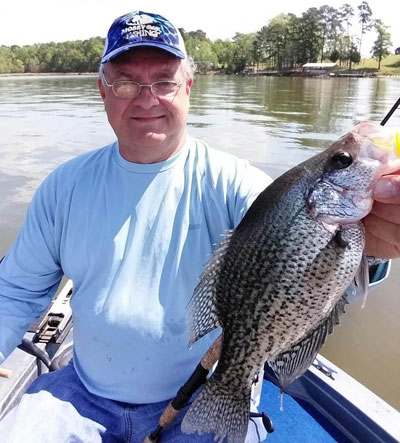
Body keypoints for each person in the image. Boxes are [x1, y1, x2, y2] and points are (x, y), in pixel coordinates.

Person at [0, 9, 399, 443]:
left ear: (188, 87)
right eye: (126, 81)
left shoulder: (235, 181)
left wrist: (373, 251)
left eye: (165, 81)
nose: (147, 98)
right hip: (80, 393)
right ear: (103, 90)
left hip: (205, 390)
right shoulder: (65, 186)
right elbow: (15, 291)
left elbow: (311, 269)